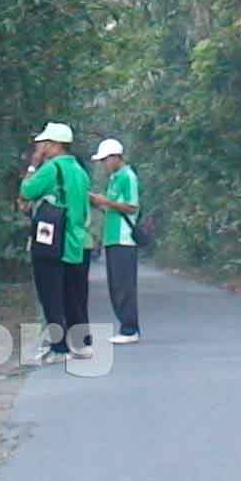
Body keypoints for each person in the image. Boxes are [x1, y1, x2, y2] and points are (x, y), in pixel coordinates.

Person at [20, 122, 92, 361]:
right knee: (75, 295)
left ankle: (59, 348)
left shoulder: (52, 168)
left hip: (52, 241)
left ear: (54, 144)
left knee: (51, 295)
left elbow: (27, 191)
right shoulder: (81, 171)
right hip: (78, 240)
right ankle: (82, 345)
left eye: (43, 143)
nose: (40, 147)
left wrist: (33, 165)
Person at [88, 137, 141, 344]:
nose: (103, 165)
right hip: (111, 238)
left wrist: (106, 201)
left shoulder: (127, 176)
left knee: (124, 286)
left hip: (124, 239)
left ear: (115, 158)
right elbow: (112, 208)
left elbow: (132, 206)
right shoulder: (114, 178)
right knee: (115, 285)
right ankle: (125, 326)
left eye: (105, 160)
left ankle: (130, 329)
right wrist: (98, 202)